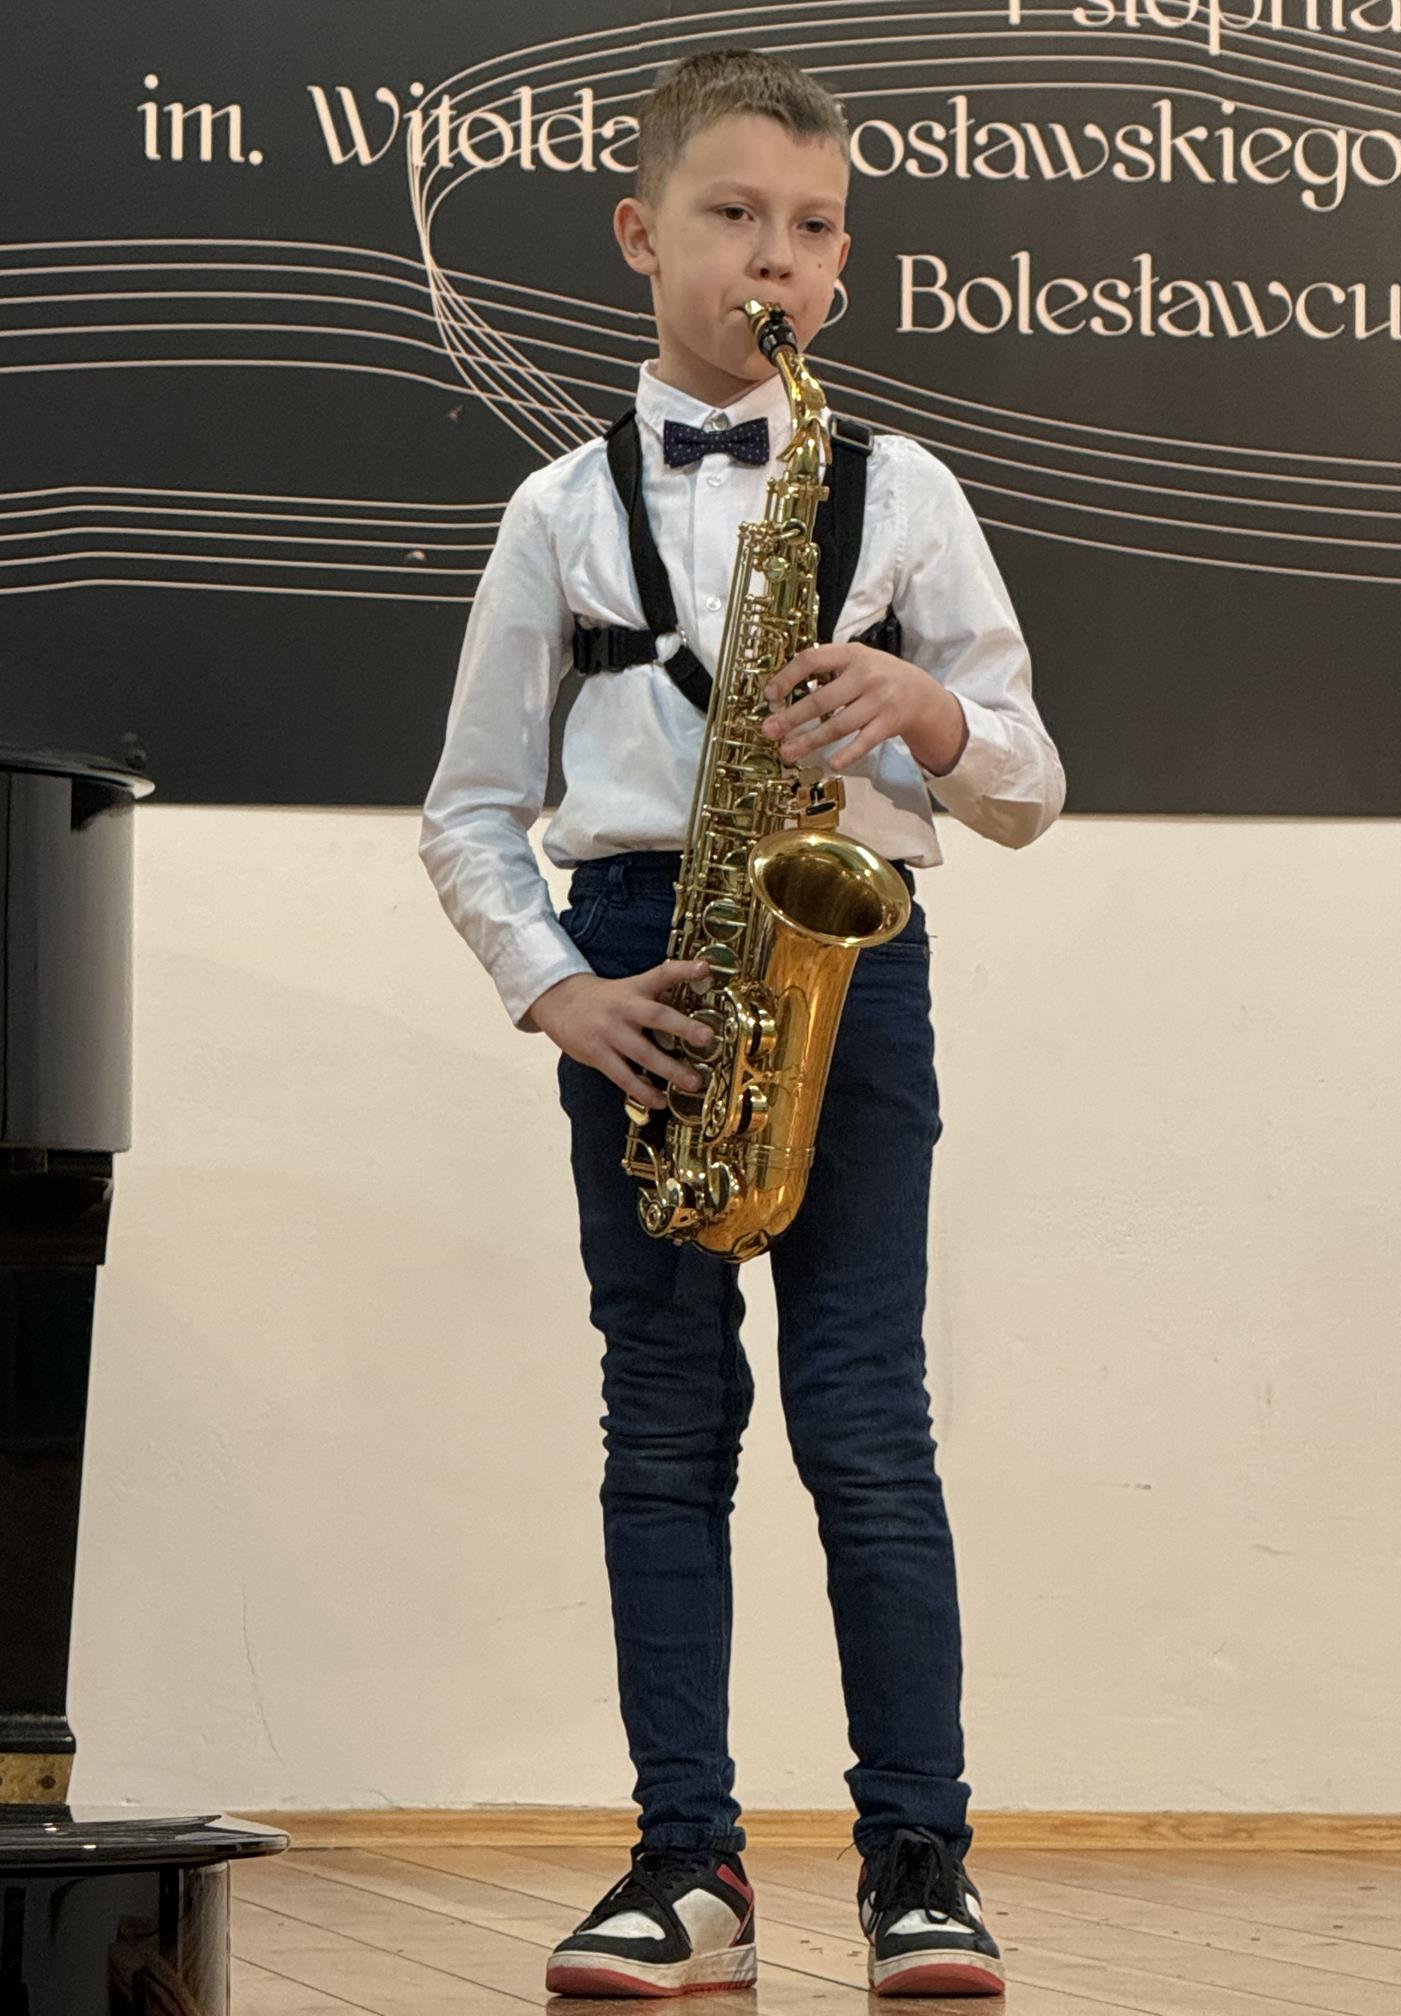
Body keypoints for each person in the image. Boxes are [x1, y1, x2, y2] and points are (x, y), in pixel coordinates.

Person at [419, 44, 1066, 2000]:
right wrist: (557, 987)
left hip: (849, 958)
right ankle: (683, 1858)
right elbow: (469, 809)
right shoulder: (556, 510)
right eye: (732, 217)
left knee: (868, 1422)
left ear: (843, 263)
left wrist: (927, 715)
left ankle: (919, 1859)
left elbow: (1029, 779)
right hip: (650, 967)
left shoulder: (904, 489)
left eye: (812, 227)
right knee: (664, 1422)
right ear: (641, 235)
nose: (773, 258)